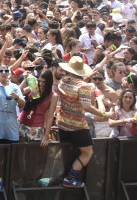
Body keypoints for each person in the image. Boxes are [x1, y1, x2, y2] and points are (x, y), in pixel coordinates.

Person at [41, 56, 108, 188]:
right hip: (77, 127)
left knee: (65, 151)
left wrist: (87, 80)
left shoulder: (63, 81)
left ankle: (56, 176)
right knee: (88, 152)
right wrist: (104, 112)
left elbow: (75, 89)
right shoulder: (84, 86)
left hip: (62, 124)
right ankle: (69, 178)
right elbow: (87, 106)